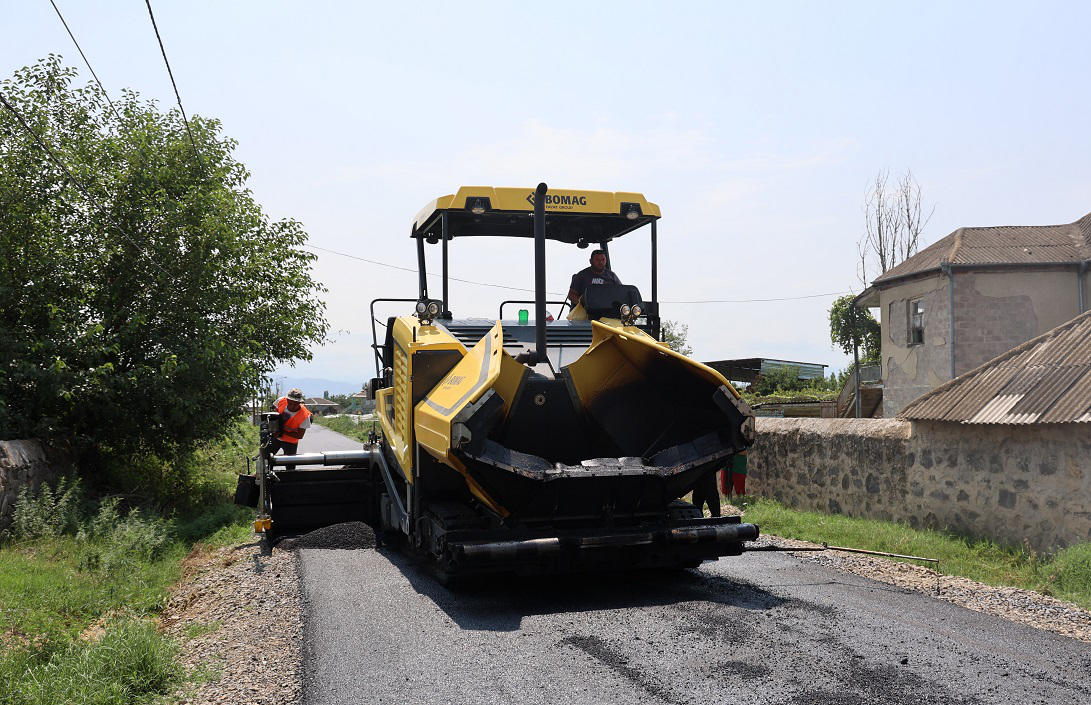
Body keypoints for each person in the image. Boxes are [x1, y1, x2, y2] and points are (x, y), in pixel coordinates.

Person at [270, 388, 312, 456]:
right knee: (267, 460)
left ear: (299, 403)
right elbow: (274, 409)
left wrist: (281, 431)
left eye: (295, 404)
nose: (292, 406)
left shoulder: (305, 415)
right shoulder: (281, 401)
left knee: (290, 464)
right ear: (287, 399)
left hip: (291, 442)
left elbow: (300, 435)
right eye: (290, 403)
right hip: (276, 438)